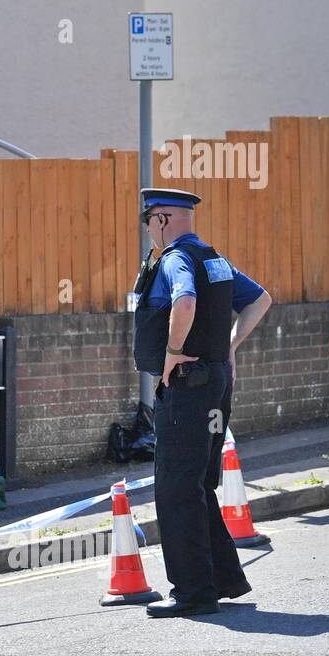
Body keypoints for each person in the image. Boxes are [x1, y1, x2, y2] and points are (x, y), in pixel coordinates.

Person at [131, 188, 272, 618]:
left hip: (189, 389)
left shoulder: (175, 259)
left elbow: (186, 300)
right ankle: (224, 580)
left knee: (175, 488)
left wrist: (173, 352)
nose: (148, 230)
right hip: (216, 385)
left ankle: (193, 593)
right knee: (198, 484)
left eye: (149, 221)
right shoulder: (215, 258)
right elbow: (260, 299)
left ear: (161, 220)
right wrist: (229, 346)